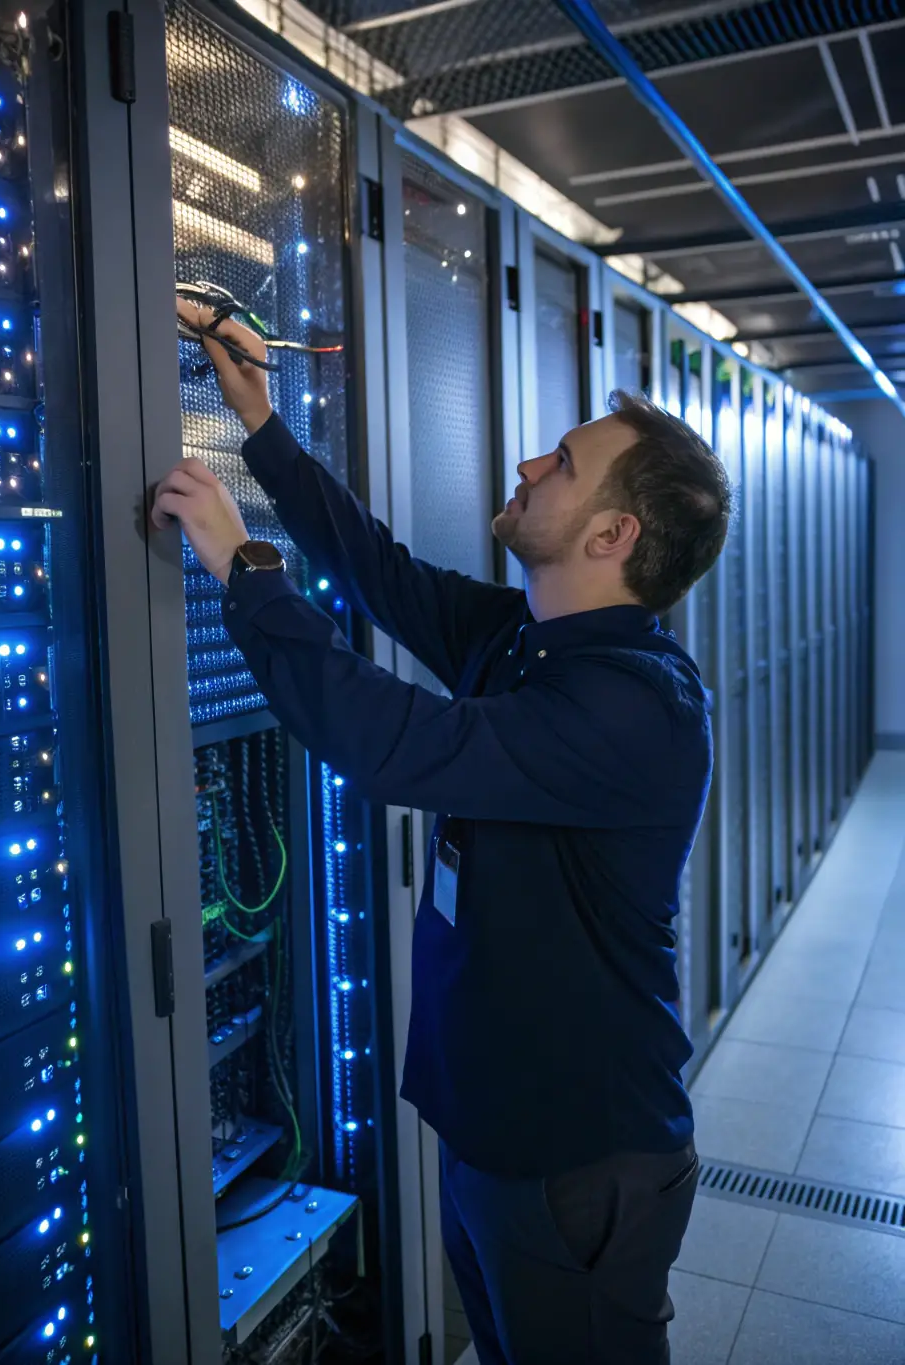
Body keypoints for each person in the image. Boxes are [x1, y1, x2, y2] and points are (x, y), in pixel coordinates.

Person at [154, 300, 731, 1365]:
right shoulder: (531, 640)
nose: (526, 463)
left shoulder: (634, 707)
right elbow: (381, 571)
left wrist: (245, 567)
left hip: (578, 1154)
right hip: (495, 1131)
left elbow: (388, 742)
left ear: (613, 537)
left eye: (559, 462)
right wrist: (261, 429)